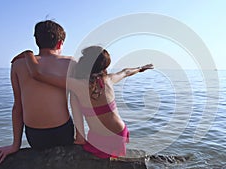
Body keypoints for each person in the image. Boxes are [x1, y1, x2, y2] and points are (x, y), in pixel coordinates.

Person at [22, 46, 153, 158]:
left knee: (75, 98)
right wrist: (141, 68)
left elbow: (37, 75)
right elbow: (126, 72)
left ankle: (80, 137)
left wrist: (28, 54)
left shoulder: (77, 85)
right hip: (119, 133)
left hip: (100, 138)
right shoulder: (109, 79)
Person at [0, 20, 76, 164]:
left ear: (37, 41)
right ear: (60, 43)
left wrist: (15, 145)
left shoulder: (18, 64)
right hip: (62, 131)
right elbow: (78, 104)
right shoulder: (70, 63)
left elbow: (17, 107)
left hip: (35, 135)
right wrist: (81, 137)